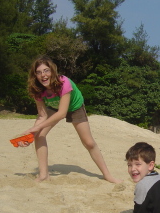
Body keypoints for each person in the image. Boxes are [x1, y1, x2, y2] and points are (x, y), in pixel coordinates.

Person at [19, 55, 121, 184]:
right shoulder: (37, 89)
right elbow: (42, 115)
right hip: (54, 107)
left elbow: (62, 113)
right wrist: (31, 134)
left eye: (46, 70)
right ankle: (44, 175)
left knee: (88, 142)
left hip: (74, 106)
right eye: (38, 72)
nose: (43, 75)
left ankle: (107, 175)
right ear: (35, 75)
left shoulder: (63, 82)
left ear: (52, 71)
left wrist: (36, 128)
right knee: (39, 135)